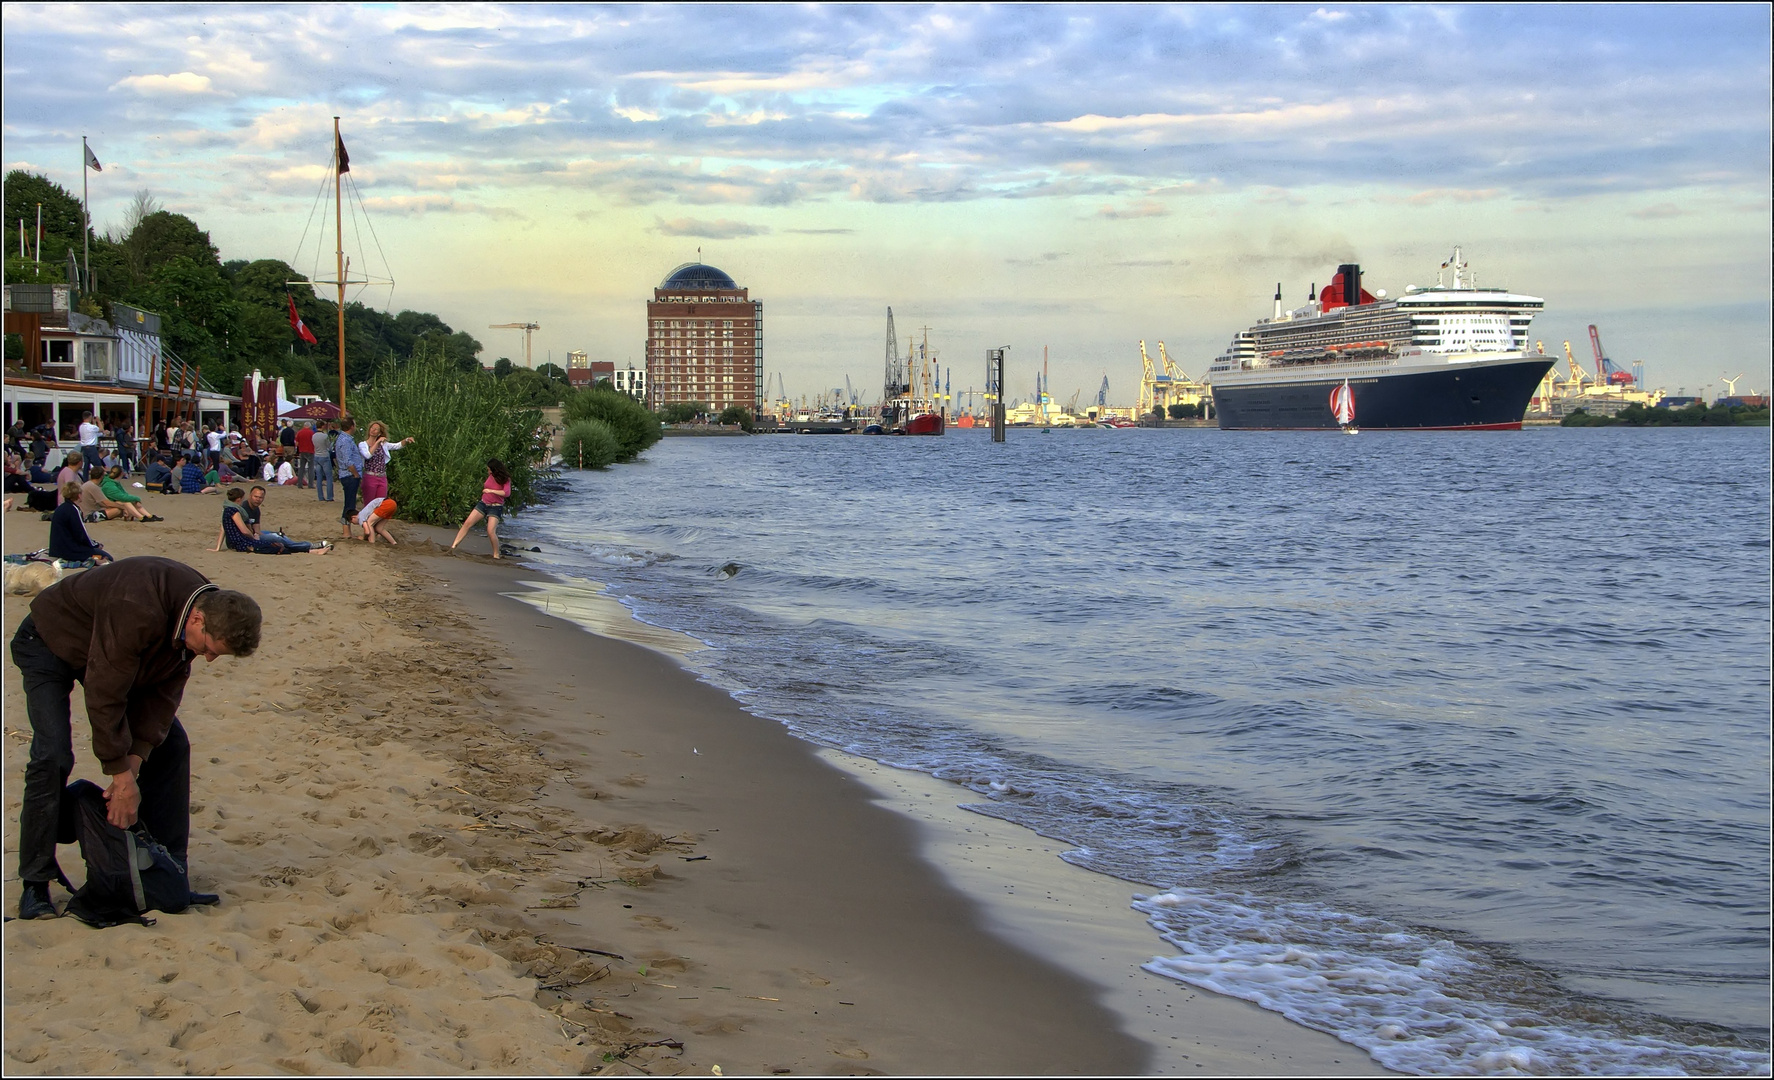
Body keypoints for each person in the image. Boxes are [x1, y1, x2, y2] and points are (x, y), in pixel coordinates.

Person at [10, 556, 261, 919]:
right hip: (49, 641)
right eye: (208, 649)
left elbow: (163, 697)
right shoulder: (136, 605)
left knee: (171, 746)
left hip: (118, 655)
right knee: (53, 755)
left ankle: (168, 875)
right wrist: (121, 777)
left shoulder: (202, 609)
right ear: (197, 620)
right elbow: (104, 692)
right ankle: (35, 884)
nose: (207, 659)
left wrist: (136, 758)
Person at [211, 487, 328, 555]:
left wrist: (260, 534)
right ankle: (310, 547)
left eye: (260, 497)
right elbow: (240, 530)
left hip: (252, 535)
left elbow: (257, 529)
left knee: (277, 536)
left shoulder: (253, 510)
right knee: (277, 541)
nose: (258, 500)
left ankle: (307, 547)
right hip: (245, 539)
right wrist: (253, 536)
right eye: (255, 497)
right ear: (248, 496)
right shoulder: (239, 510)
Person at [450, 458, 513, 559]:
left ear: (495, 469)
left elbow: (506, 493)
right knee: (467, 523)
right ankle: (453, 546)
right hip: (483, 504)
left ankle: (496, 554)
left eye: (489, 470)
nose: (488, 472)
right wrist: (488, 491)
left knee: (490, 531)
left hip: (496, 507)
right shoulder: (490, 476)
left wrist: (491, 491)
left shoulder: (505, 479)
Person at [47, 482, 112, 564]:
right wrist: (96, 545)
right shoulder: (74, 510)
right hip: (69, 551)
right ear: (78, 495)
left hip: (57, 549)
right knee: (106, 557)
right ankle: (95, 560)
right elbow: (81, 533)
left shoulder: (61, 508)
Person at [358, 421, 414, 504]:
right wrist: (377, 443)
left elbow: (397, 445)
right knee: (369, 503)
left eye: (376, 429)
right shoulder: (363, 444)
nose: (373, 430)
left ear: (379, 433)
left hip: (382, 477)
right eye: (372, 428)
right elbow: (368, 455)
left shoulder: (383, 444)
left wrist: (406, 440)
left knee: (381, 503)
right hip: (370, 477)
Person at [333, 417, 364, 536]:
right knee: (349, 504)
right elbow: (347, 460)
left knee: (350, 503)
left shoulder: (345, 439)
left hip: (349, 474)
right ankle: (346, 530)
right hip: (349, 475)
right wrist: (355, 473)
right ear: (352, 426)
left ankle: (347, 530)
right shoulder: (345, 440)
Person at [311, 421, 334, 502]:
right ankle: (329, 496)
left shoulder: (313, 436)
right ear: (322, 426)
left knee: (319, 477)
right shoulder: (325, 436)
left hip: (317, 455)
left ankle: (320, 496)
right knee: (329, 477)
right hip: (324, 456)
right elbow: (329, 446)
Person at [77, 413, 102, 478]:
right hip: (91, 448)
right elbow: (101, 429)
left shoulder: (81, 426)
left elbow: (92, 432)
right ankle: (100, 478)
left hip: (84, 447)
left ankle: (85, 479)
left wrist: (93, 423)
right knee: (98, 464)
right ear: (90, 417)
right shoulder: (91, 427)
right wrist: (98, 421)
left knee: (86, 465)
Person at [294, 422, 315, 488]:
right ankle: (310, 484)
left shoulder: (299, 432)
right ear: (309, 426)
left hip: (302, 451)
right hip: (310, 451)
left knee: (301, 468)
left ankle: (300, 484)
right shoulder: (311, 433)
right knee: (310, 468)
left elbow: (296, 443)